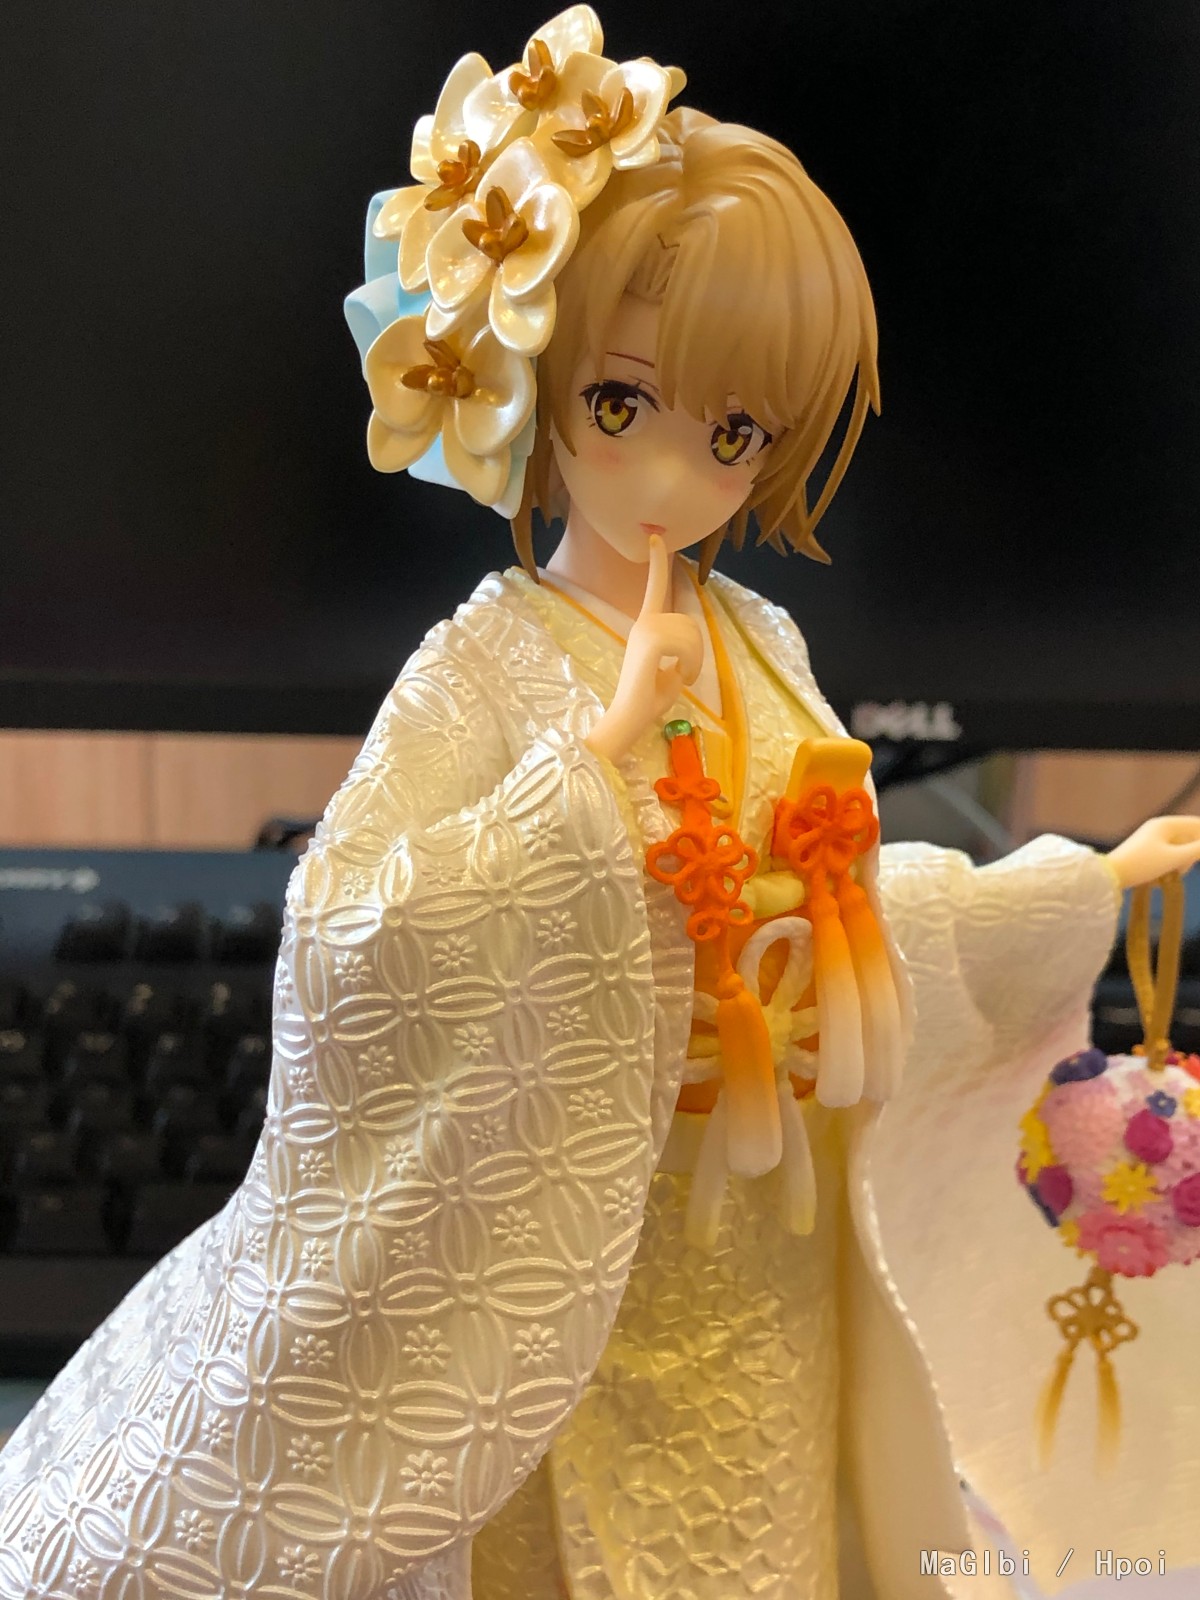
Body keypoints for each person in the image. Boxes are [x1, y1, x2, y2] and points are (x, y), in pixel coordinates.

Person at [2, 9, 1198, 1598]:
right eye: (624, 405)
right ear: (534, 376)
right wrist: (583, 779)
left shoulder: (765, 643)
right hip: (578, 1247)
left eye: (736, 431)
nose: (675, 475)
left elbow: (836, 900)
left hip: (763, 1240)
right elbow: (349, 930)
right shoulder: (485, 665)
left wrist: (1065, 883)